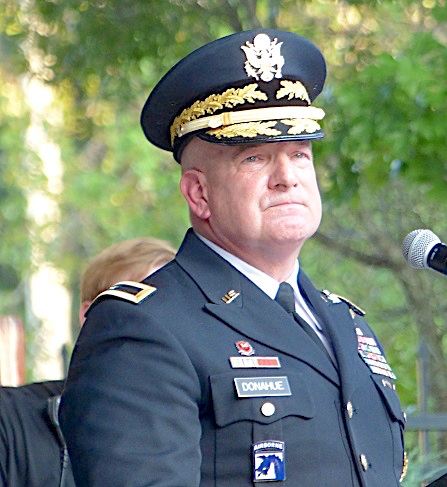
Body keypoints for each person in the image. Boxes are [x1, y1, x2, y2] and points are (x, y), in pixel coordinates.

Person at [60, 29, 407, 486]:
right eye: (255, 159)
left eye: (300, 154)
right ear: (198, 193)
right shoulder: (142, 328)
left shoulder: (345, 323)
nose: (288, 177)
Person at [0, 237, 176, 487]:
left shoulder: (209, 429)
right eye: (142, 304)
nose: (162, 326)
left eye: (176, 310)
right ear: (90, 316)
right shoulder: (11, 421)